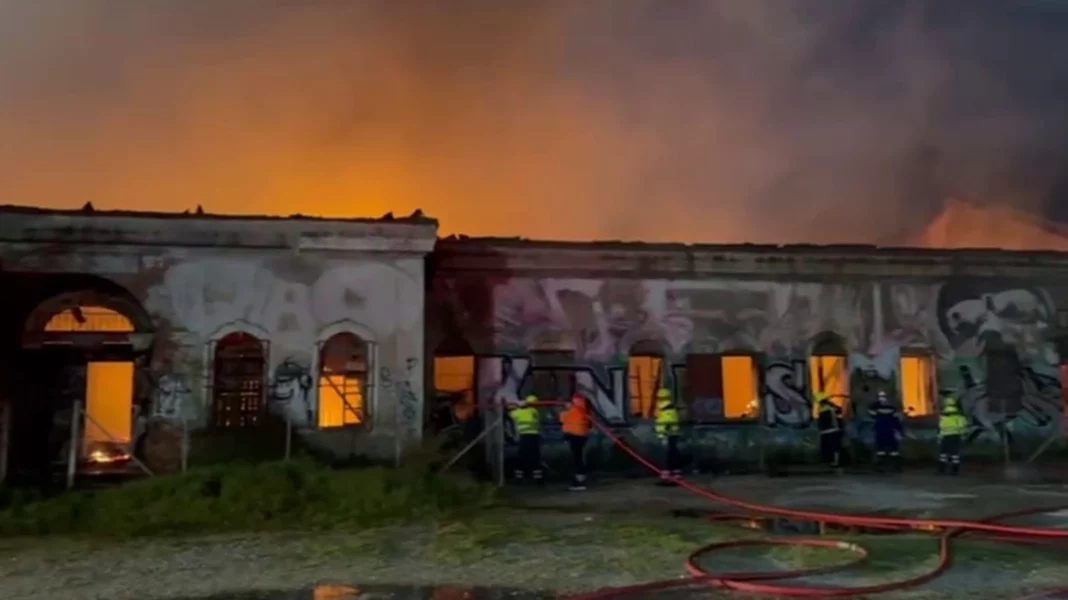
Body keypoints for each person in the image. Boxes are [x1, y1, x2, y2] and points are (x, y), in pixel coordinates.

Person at [560, 393, 593, 491]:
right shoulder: (583, 409)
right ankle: (580, 479)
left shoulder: (575, 410)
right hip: (579, 435)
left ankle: (580, 482)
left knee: (577, 459)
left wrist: (566, 410)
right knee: (578, 458)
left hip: (575, 435)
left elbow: (563, 419)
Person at [509, 395, 542, 483]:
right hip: (535, 436)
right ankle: (538, 478)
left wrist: (517, 405)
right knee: (535, 457)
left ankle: (518, 478)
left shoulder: (522, 412)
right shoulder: (535, 411)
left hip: (525, 436)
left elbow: (511, 414)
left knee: (522, 456)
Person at [868, 390, 904, 472]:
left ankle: (881, 466)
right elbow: (896, 420)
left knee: (881, 448)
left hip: (881, 430)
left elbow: (871, 414)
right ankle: (895, 466)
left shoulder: (876, 408)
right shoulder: (892, 408)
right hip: (889, 430)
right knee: (893, 448)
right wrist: (900, 431)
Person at [654, 388, 682, 484]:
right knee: (672, 454)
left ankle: (667, 475)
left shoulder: (668, 410)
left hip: (667, 436)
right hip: (670, 435)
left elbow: (666, 423)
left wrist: (663, 434)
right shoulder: (669, 409)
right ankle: (674, 473)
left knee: (667, 456)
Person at [938, 396, 969, 476]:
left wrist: (939, 437)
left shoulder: (943, 415)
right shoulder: (959, 415)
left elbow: (940, 426)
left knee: (943, 454)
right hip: (956, 436)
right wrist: (963, 436)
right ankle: (955, 471)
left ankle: (942, 470)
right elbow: (963, 425)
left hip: (945, 436)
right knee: (955, 454)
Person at [816, 393, 844, 471]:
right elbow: (839, 412)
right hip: (833, 430)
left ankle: (833, 462)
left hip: (827, 431)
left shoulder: (823, 409)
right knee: (834, 447)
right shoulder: (831, 407)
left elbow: (822, 421)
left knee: (829, 447)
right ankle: (835, 461)